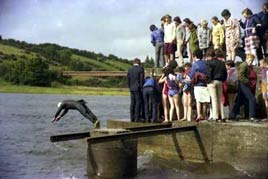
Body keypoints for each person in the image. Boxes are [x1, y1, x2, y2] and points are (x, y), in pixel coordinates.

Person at [230, 54, 258, 122]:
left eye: (252, 61)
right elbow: (240, 76)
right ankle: (252, 116)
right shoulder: (244, 65)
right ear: (246, 59)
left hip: (242, 83)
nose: (250, 62)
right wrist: (247, 82)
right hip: (243, 83)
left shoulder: (247, 66)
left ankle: (232, 115)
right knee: (252, 98)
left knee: (240, 100)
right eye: (250, 60)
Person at [206, 49, 228, 122]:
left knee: (214, 99)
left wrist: (208, 81)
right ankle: (223, 116)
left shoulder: (210, 63)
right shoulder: (221, 63)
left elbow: (209, 73)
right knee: (220, 99)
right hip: (220, 81)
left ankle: (215, 116)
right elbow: (225, 73)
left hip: (212, 82)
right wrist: (223, 80)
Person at [188, 49, 210, 121]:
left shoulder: (195, 64)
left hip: (198, 84)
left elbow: (191, 76)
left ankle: (199, 115)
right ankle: (204, 115)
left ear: (194, 56)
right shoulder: (206, 63)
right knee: (205, 101)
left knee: (198, 100)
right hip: (205, 84)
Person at [127, 58, 145, 122]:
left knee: (132, 103)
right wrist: (141, 87)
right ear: (139, 63)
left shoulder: (130, 69)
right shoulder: (141, 69)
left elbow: (128, 79)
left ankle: (132, 118)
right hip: (138, 88)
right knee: (138, 103)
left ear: (133, 62)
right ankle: (137, 118)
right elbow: (141, 79)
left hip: (131, 88)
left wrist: (129, 87)